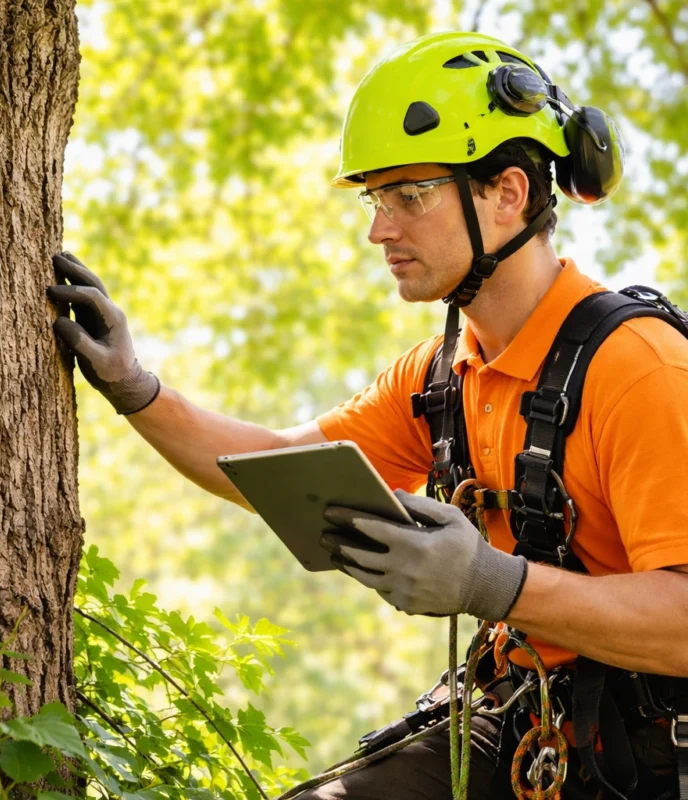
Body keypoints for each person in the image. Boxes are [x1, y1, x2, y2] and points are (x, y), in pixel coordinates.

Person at [46, 31, 688, 800]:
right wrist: (135, 388)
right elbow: (275, 467)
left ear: (508, 192)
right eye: (375, 199)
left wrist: (494, 583)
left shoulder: (639, 371)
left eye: (408, 197)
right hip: (523, 726)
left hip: (654, 755)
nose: (380, 230)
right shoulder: (442, 377)